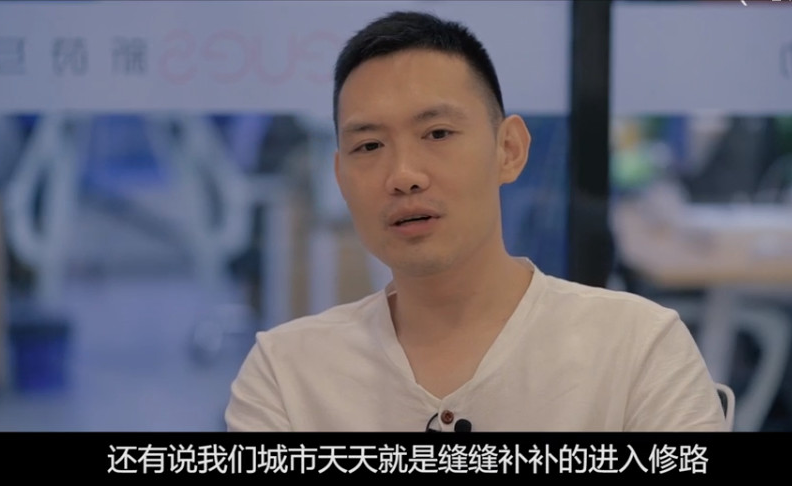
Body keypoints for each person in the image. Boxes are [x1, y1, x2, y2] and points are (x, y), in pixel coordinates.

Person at [225, 11, 726, 432]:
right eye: (370, 146)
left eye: (438, 133)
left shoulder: (637, 347)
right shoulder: (287, 373)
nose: (403, 175)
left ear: (509, 150)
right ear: (340, 177)